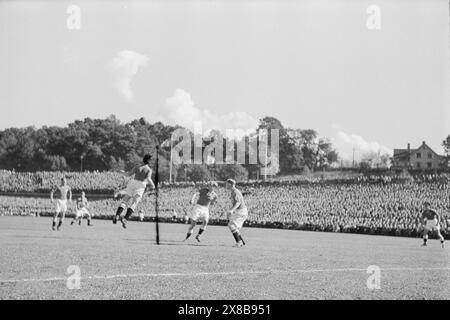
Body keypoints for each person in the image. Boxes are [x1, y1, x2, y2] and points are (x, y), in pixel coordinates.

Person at [112, 154, 155, 228]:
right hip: (140, 185)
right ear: (149, 161)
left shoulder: (137, 166)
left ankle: (117, 215)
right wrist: (153, 185)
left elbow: (128, 174)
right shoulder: (149, 170)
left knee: (125, 201)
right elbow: (148, 179)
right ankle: (125, 219)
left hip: (133, 183)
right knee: (134, 203)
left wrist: (121, 172)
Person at [225, 179, 248, 247]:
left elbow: (238, 203)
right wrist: (231, 211)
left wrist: (232, 210)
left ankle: (239, 242)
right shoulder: (233, 192)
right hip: (240, 211)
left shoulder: (235, 192)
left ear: (231, 184)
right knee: (233, 226)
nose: (226, 185)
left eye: (227, 184)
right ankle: (242, 242)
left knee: (231, 225)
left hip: (241, 211)